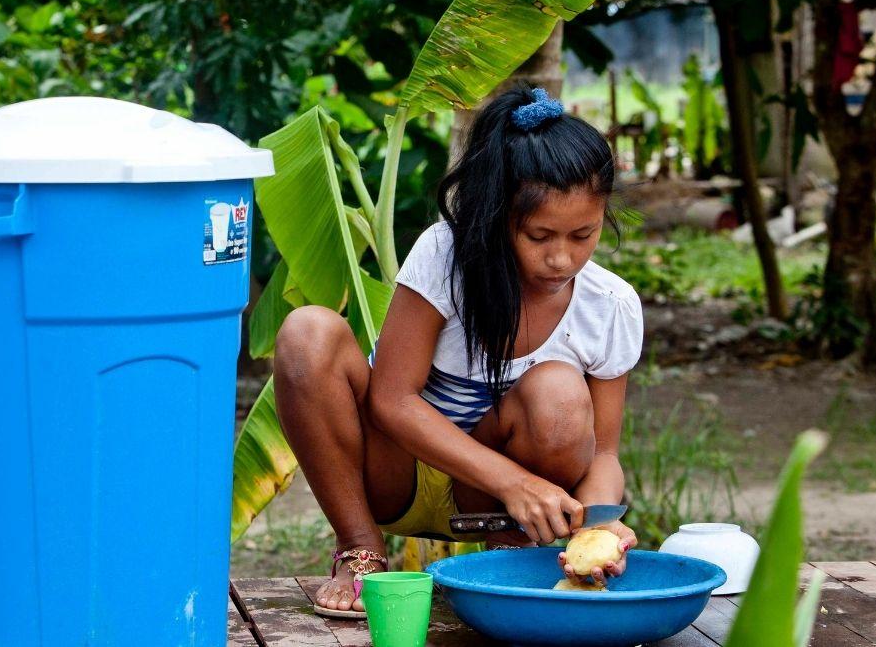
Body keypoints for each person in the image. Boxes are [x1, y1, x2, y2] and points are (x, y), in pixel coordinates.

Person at [274, 85, 644, 618]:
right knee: (307, 332)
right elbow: (394, 400)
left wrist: (601, 521)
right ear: (497, 217)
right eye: (538, 235)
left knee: (560, 392)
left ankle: (515, 554)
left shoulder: (610, 305)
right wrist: (512, 481)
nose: (561, 258)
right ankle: (360, 548)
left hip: (499, 506)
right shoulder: (445, 255)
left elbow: (603, 454)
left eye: (583, 235)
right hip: (395, 471)